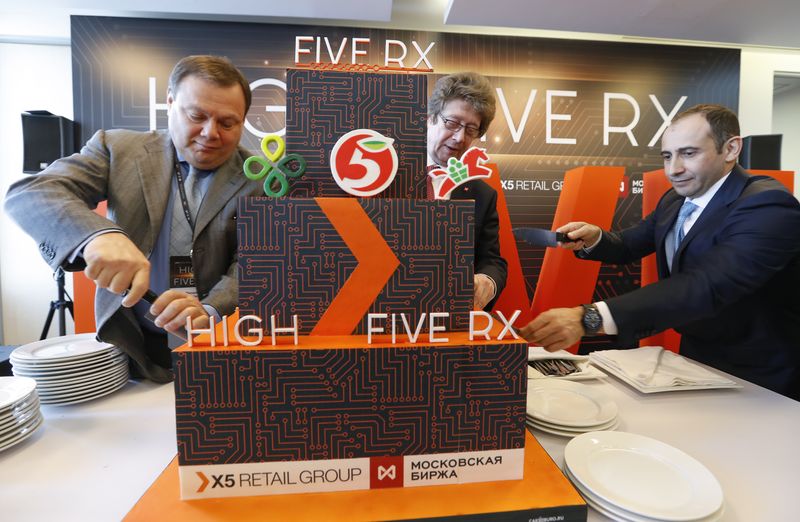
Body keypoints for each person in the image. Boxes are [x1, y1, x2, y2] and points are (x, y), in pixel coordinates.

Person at [5, 55, 262, 383]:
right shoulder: (116, 149)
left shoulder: (259, 178)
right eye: (197, 115)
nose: (211, 133)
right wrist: (96, 236)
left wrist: (210, 309)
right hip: (128, 344)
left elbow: (254, 262)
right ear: (170, 103)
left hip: (220, 345)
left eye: (228, 123)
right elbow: (32, 194)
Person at [520, 104, 800, 400]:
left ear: (730, 149)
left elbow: (707, 285)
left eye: (688, 154)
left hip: (763, 374)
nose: (673, 169)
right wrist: (596, 238)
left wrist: (589, 318)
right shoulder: (675, 199)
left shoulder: (768, 206)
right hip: (697, 358)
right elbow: (631, 243)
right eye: (668, 156)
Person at [427, 72, 508, 310]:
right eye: (451, 123)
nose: (459, 137)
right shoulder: (389, 174)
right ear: (430, 118)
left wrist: (487, 282)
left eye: (471, 129)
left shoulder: (482, 194)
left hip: (449, 318)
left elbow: (491, 260)